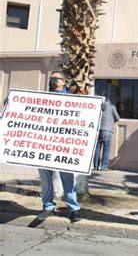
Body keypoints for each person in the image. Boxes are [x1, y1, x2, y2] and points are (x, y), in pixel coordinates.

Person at [37, 70, 81, 222]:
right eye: (52, 78)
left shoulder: (72, 99)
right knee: (46, 177)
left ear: (64, 82)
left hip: (64, 144)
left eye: (57, 78)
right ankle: (48, 207)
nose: (54, 80)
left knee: (67, 177)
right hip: (45, 142)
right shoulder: (41, 98)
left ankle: (74, 209)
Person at [94, 98, 120, 171]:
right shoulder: (112, 107)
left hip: (98, 129)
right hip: (108, 130)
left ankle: (96, 166)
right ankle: (104, 166)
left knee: (97, 149)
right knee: (106, 149)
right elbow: (117, 118)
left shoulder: (98, 106)